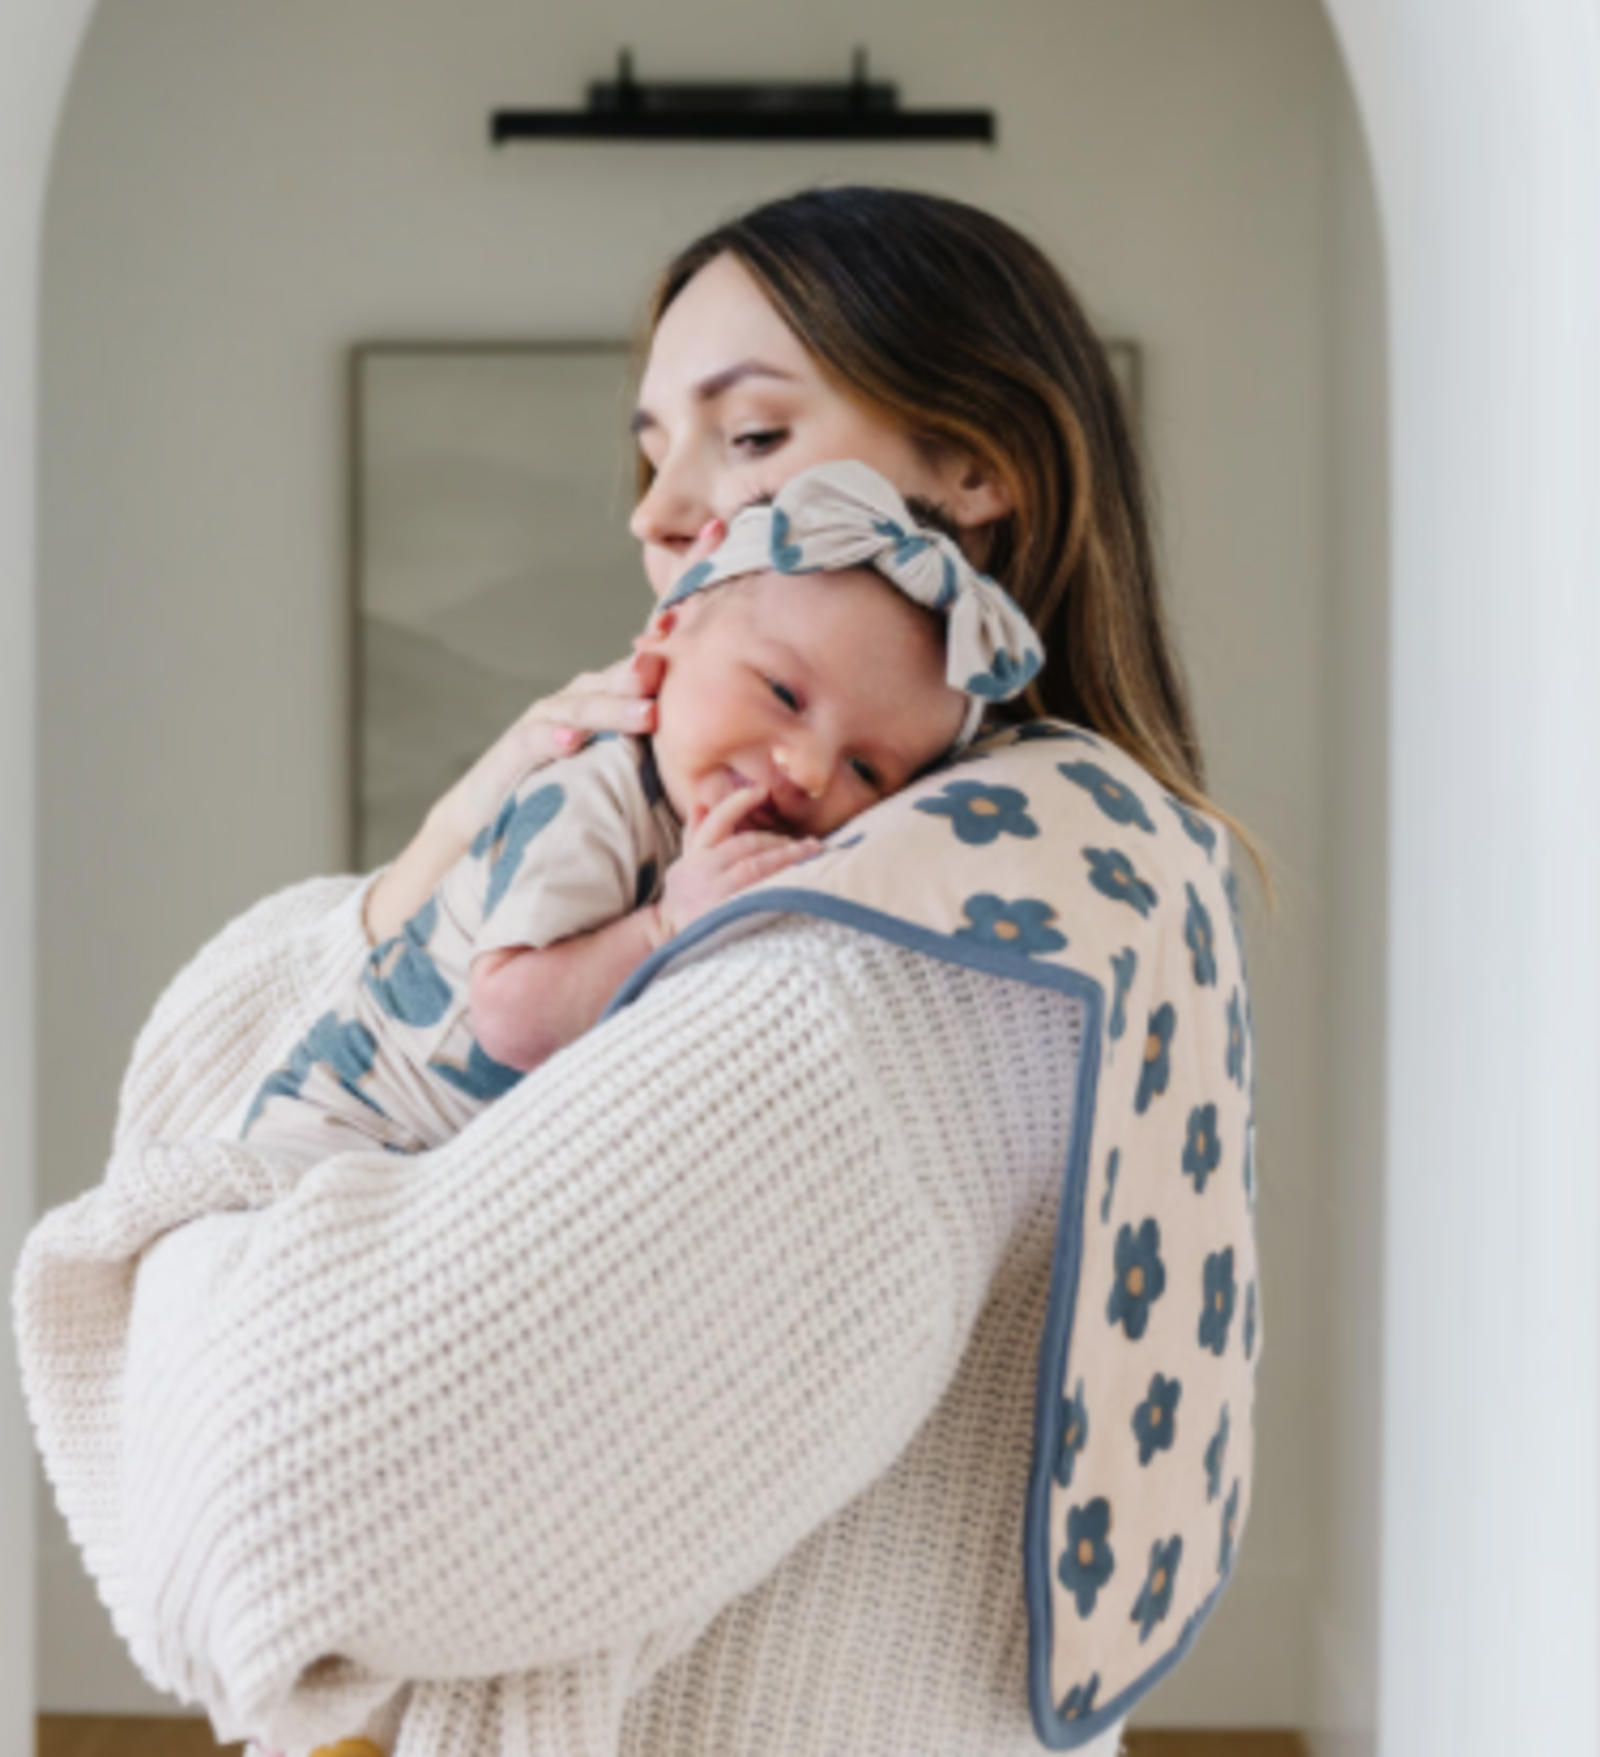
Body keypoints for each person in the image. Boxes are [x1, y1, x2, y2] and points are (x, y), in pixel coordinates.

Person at [15, 187, 1259, 1757]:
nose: (661, 513)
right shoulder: (1055, 872)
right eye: (654, 447)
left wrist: (193, 1242)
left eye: (751, 436)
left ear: (973, 468)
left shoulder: (867, 957)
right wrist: (432, 868)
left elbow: (262, 1490)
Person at [236, 461, 1042, 1164]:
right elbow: (510, 1015)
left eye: (866, 769)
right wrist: (666, 928)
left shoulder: (734, 837)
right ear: (665, 635)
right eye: (783, 694)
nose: (808, 770)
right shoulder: (593, 796)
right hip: (340, 1133)